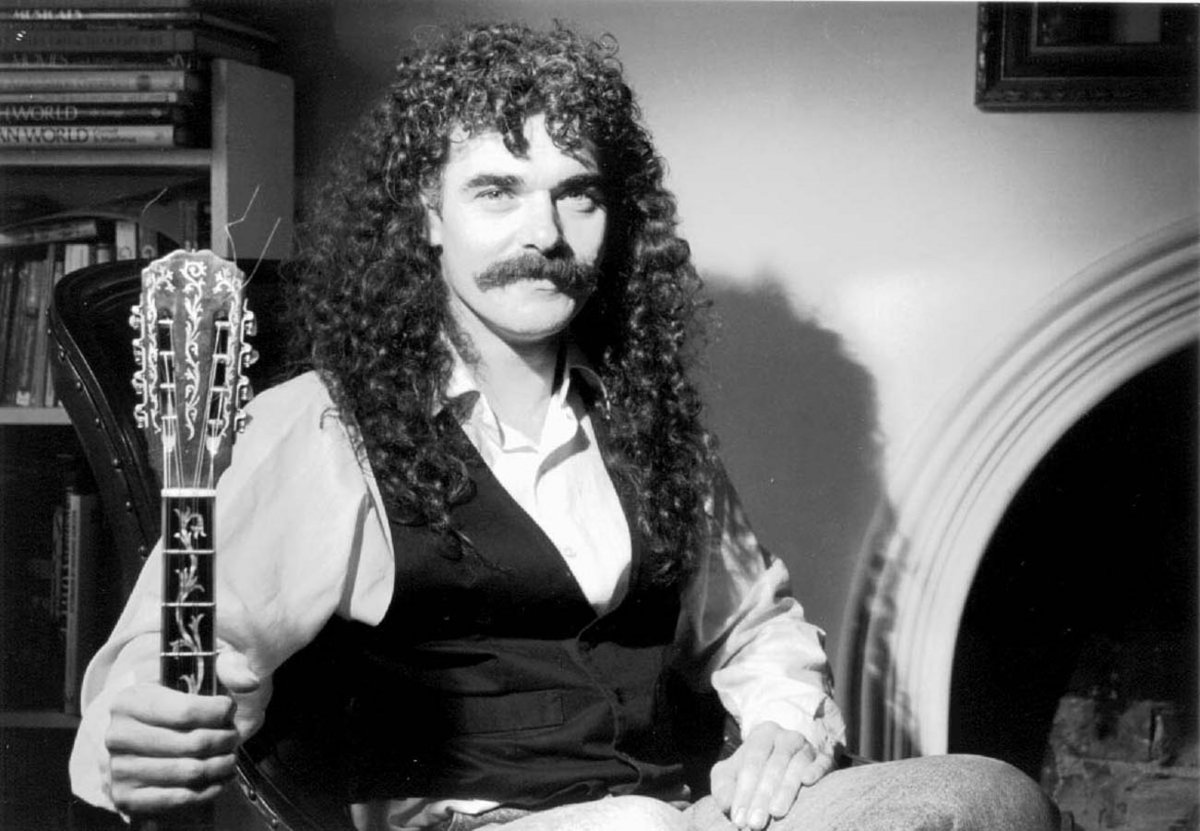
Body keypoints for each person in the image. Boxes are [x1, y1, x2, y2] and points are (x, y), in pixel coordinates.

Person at [70, 21, 1063, 831]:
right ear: (426, 216)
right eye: (497, 191)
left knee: (985, 796)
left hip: (679, 812)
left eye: (576, 194)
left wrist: (779, 730)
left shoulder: (645, 418)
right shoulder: (323, 429)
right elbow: (175, 660)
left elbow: (754, 626)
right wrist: (144, 734)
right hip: (475, 823)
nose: (544, 235)